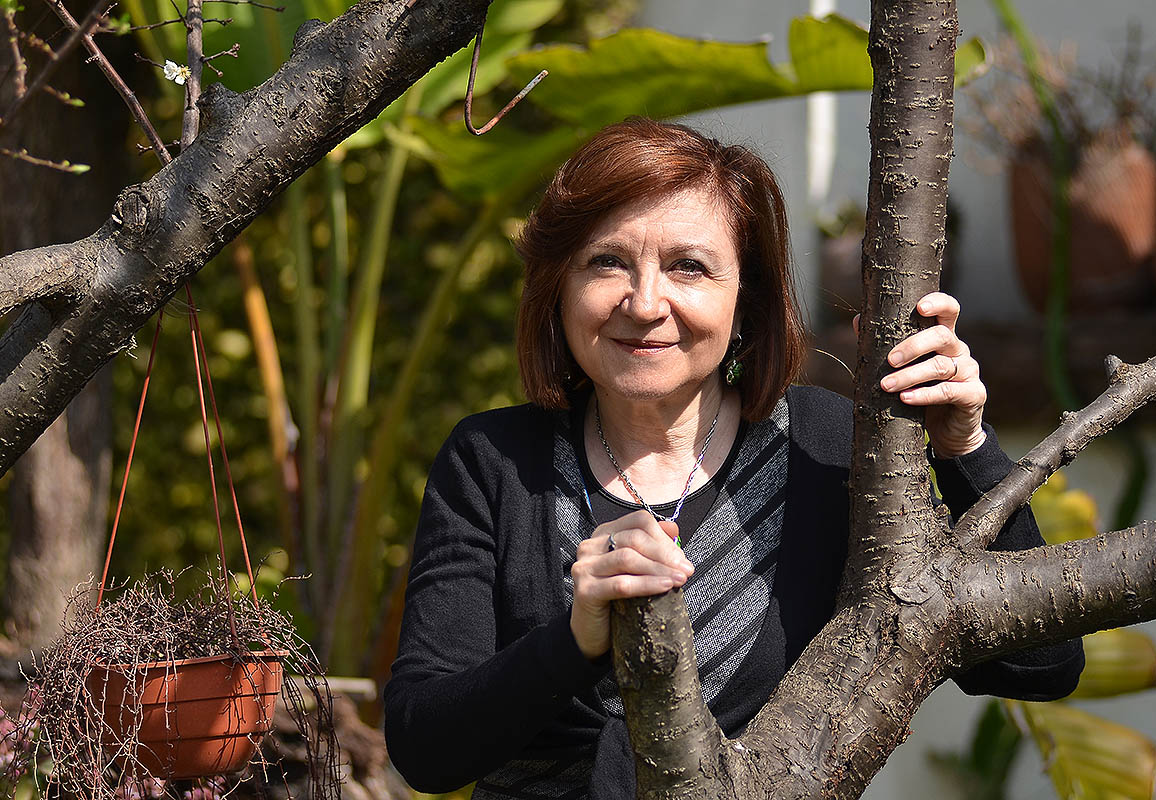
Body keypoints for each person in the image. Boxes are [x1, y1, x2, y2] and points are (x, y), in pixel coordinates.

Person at [383, 117, 1084, 799]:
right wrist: (573, 642)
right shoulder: (493, 461)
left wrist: (965, 446)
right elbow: (424, 746)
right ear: (558, 289)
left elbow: (1040, 665)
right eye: (607, 262)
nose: (645, 302)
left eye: (689, 267)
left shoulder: (825, 446)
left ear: (745, 299)